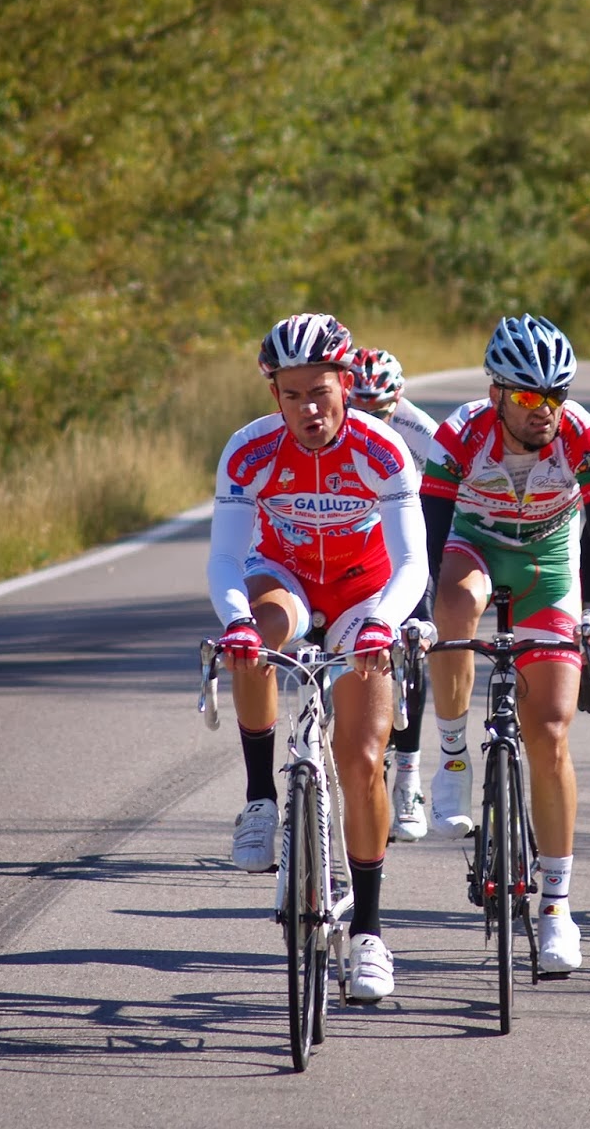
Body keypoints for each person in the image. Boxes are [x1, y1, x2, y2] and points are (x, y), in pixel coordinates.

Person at [207, 313, 429, 1001]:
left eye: (321, 392)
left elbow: (414, 560)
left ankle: (368, 930)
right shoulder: (248, 451)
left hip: (367, 590)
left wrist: (382, 625)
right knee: (253, 634)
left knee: (362, 762)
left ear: (346, 384)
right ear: (274, 393)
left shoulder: (382, 447)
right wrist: (237, 622)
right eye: (292, 393)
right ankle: (260, 800)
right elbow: (224, 556)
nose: (308, 408)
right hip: (288, 577)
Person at [420, 313, 590, 975]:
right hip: (473, 551)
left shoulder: (582, 436)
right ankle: (453, 760)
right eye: (530, 396)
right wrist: (430, 616)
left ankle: (557, 909)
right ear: (497, 394)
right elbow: (428, 538)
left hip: (549, 567)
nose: (546, 410)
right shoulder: (458, 435)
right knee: (452, 602)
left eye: (556, 395)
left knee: (552, 734)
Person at [346, 346, 441, 843]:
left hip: (405, 542)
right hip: (352, 543)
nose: (369, 421)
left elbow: (451, 498)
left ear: (398, 400)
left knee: (413, 642)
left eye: (379, 412)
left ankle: (408, 775)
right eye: (357, 409)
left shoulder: (420, 431)